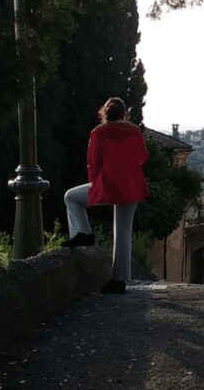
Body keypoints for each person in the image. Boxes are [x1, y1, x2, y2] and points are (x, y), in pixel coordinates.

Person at [62, 97, 149, 294]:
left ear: (105, 113)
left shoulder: (99, 132)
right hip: (132, 185)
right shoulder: (135, 131)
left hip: (109, 183)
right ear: (124, 113)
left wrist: (96, 184)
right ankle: (119, 281)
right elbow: (143, 156)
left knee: (71, 197)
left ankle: (83, 233)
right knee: (123, 234)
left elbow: (93, 161)